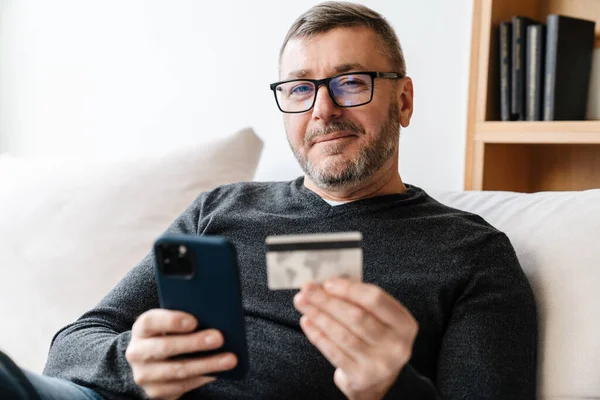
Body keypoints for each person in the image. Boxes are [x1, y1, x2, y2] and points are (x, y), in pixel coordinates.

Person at [1, 2, 537, 399]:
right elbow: (71, 345)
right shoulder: (221, 208)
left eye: (350, 82)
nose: (323, 110)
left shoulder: (471, 252)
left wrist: (389, 388)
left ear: (403, 100)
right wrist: (133, 363)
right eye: (301, 89)